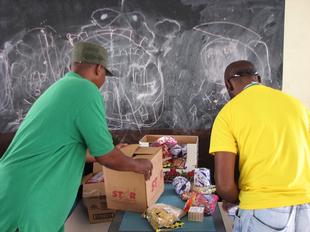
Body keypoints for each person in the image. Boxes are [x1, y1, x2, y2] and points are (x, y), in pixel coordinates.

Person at [0, 41, 153, 232]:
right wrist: (139, 165)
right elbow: (106, 156)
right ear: (99, 69)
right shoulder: (86, 90)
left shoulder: (63, 86)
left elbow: (63, 148)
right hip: (29, 199)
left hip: (18, 188)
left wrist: (111, 152)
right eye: (105, 73)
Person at [209, 60, 310, 231]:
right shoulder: (297, 105)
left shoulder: (229, 113)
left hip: (263, 211)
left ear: (228, 84)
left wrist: (235, 199)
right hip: (306, 207)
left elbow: (225, 187)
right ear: (259, 78)